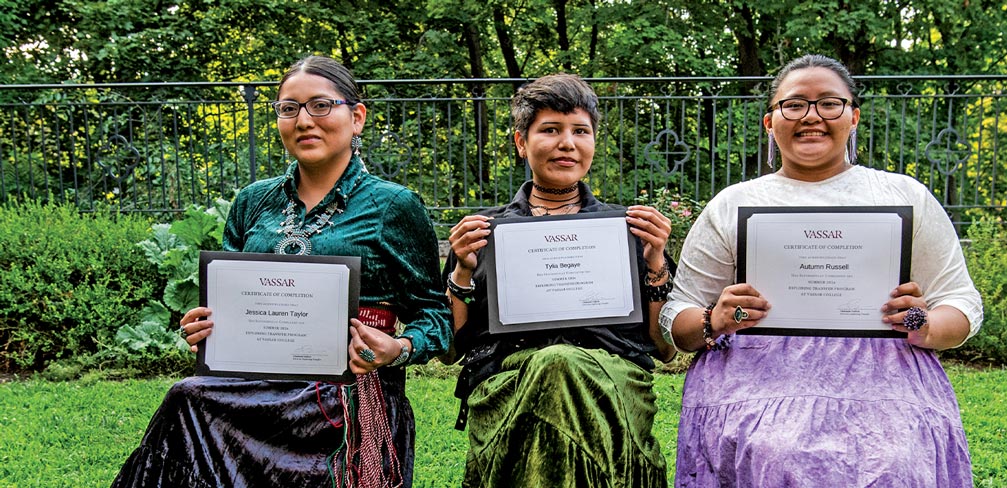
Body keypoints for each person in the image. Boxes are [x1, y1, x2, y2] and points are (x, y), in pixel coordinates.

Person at [112, 55, 451, 488]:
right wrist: (204, 325)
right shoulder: (253, 201)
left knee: (193, 396)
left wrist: (397, 347)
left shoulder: (393, 206)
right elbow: (225, 299)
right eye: (289, 108)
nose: (304, 120)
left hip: (342, 392)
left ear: (357, 117)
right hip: (253, 383)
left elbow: (435, 317)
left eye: (321, 106)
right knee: (187, 397)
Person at [661, 54, 983, 487]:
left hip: (883, 377)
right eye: (794, 105)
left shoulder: (903, 195)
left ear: (853, 117)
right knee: (775, 453)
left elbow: (961, 303)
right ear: (770, 122)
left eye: (829, 103)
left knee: (894, 460)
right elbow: (678, 318)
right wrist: (716, 319)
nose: (811, 117)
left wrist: (924, 325)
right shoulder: (732, 205)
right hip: (755, 376)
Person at [444, 73, 677, 487]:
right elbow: (450, 352)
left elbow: (664, 349)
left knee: (561, 364)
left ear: (593, 143)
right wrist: (462, 270)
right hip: (506, 380)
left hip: (611, 380)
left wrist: (655, 261)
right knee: (553, 365)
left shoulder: (628, 232)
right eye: (550, 130)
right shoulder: (486, 233)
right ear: (521, 143)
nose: (566, 143)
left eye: (580, 131)